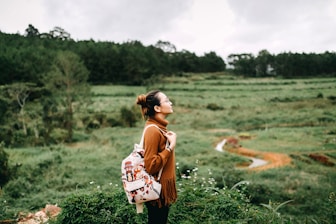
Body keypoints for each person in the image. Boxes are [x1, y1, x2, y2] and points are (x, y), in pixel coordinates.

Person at [136, 90, 177, 224]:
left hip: (160, 189)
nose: (170, 103)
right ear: (157, 108)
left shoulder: (159, 128)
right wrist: (170, 147)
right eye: (166, 100)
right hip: (156, 189)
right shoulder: (153, 130)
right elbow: (151, 165)